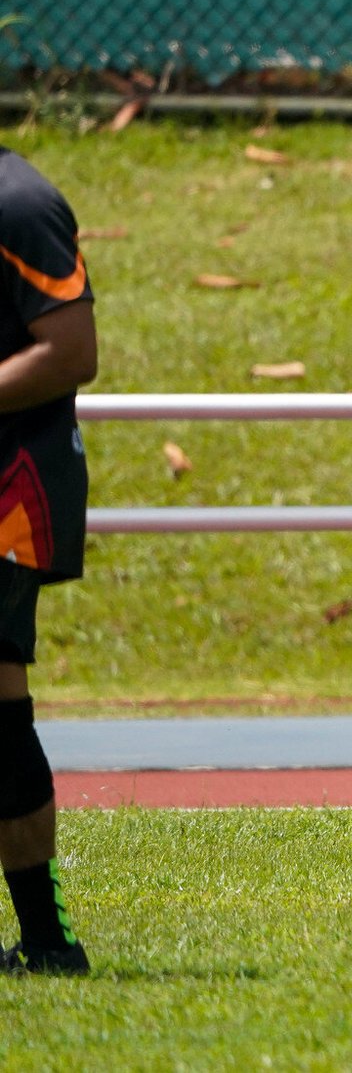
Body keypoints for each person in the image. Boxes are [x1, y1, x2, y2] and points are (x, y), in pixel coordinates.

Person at [0, 147, 97, 974]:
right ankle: (46, 941)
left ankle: (47, 937)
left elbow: (69, 351)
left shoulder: (19, 203)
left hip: (10, 488)